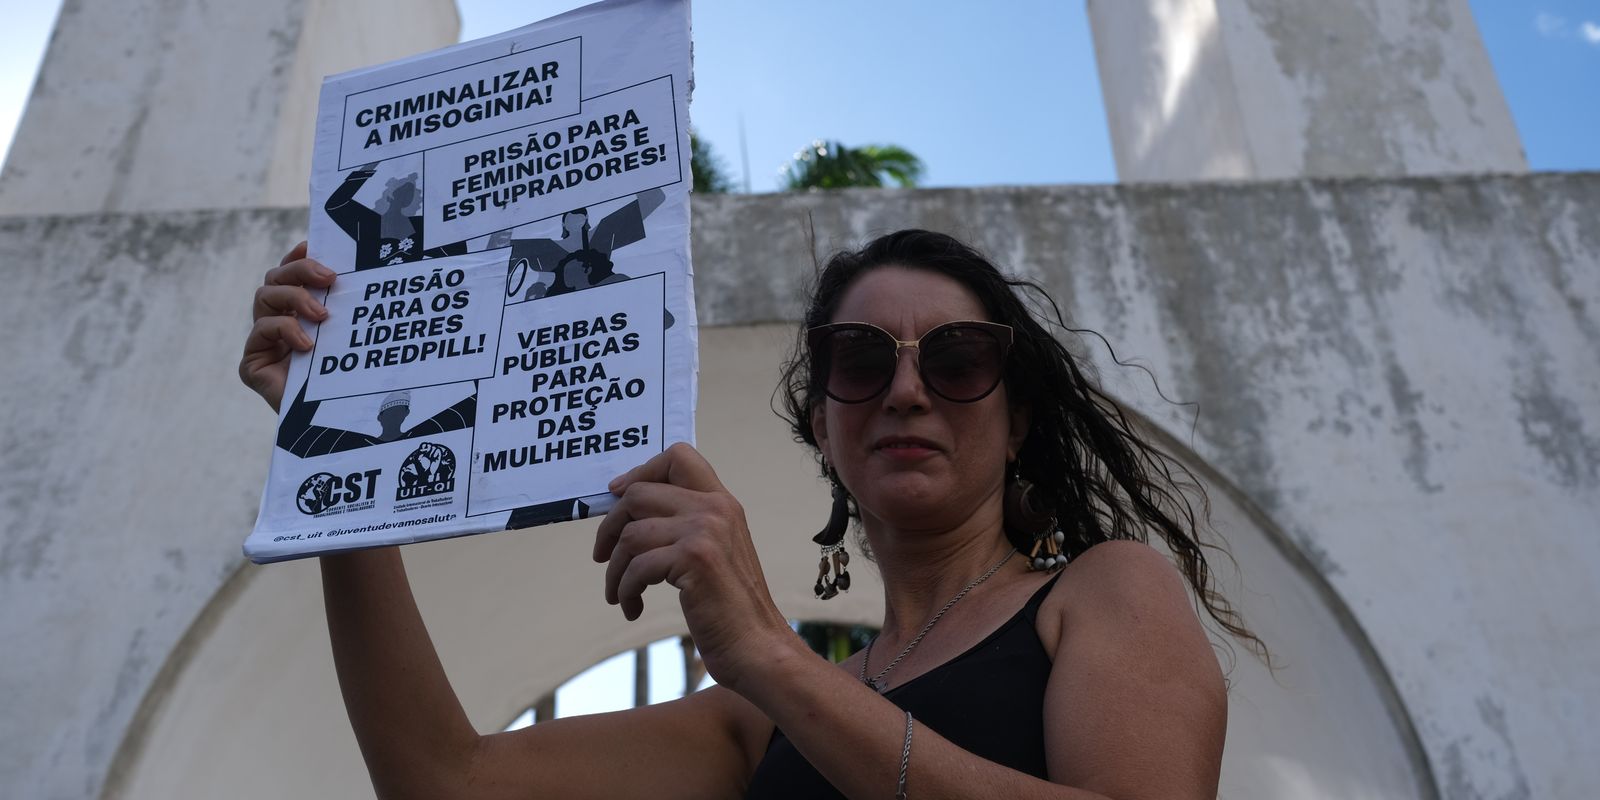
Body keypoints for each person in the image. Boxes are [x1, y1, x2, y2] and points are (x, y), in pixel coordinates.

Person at [240, 230, 1261, 799]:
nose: (908, 392)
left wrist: (770, 651)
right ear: (824, 425)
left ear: (1016, 414)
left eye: (956, 360)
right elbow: (441, 778)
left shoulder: (1103, 588)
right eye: (861, 362)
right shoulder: (763, 717)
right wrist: (336, 456)